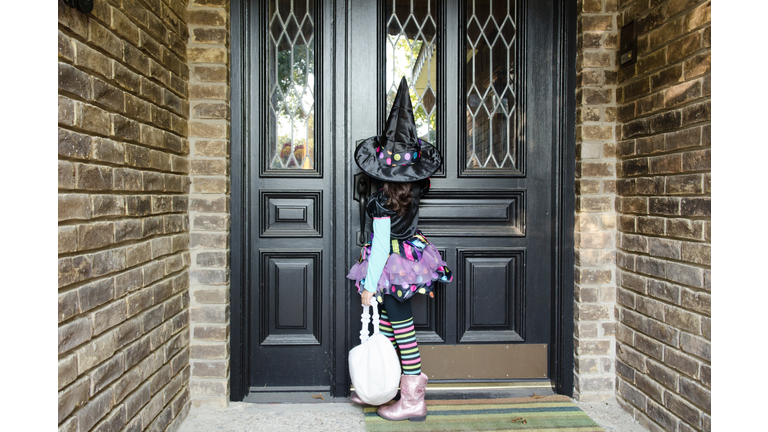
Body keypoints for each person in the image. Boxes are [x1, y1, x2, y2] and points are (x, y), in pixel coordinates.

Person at [346, 77, 453, 422]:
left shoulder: (380, 200)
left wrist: (368, 287)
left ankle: (412, 400)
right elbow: (421, 178)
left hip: (391, 268)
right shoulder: (416, 189)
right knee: (392, 327)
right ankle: (387, 387)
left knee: (402, 330)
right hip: (411, 260)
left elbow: (379, 248)